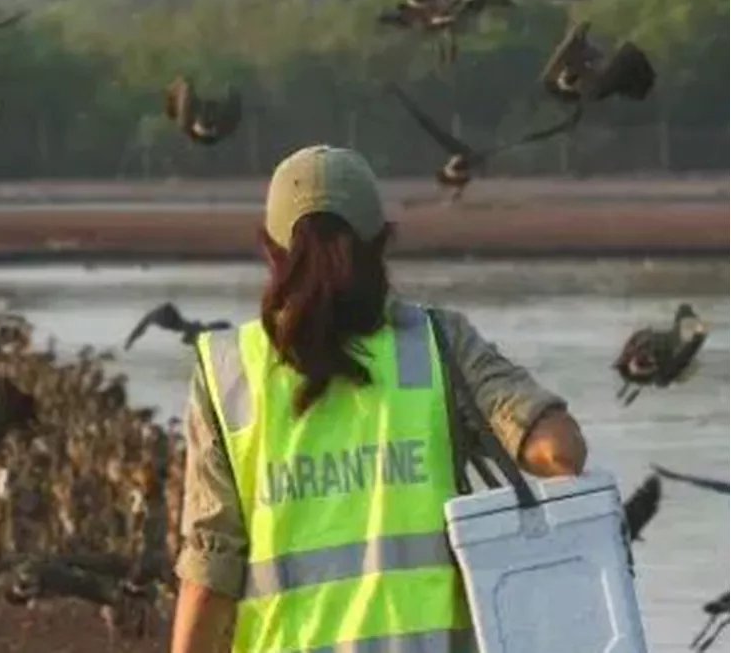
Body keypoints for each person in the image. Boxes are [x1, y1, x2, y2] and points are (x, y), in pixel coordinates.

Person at [169, 145, 588, 653]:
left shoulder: (226, 369)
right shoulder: (439, 343)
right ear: (381, 243)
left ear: (271, 253)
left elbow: (211, 571)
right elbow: (560, 452)